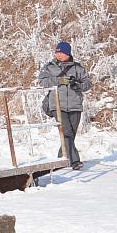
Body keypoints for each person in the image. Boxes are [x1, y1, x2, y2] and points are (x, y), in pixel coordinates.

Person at [38, 40, 93, 169]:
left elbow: (88, 84)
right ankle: (74, 162)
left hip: (75, 105)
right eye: (57, 52)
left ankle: (61, 160)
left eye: (62, 53)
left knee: (70, 135)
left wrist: (77, 85)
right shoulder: (49, 67)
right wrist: (60, 80)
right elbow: (42, 81)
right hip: (57, 105)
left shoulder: (78, 68)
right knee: (66, 132)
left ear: (68, 53)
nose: (59, 55)